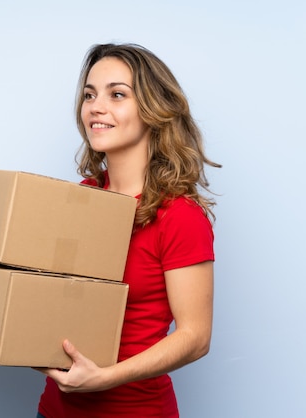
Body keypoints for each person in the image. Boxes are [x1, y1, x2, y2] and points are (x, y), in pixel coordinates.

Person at [36, 43, 220, 418]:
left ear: (154, 111)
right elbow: (46, 291)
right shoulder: (85, 198)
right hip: (55, 410)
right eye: (89, 95)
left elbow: (196, 337)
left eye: (117, 94)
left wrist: (106, 377)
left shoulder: (179, 216)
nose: (95, 107)